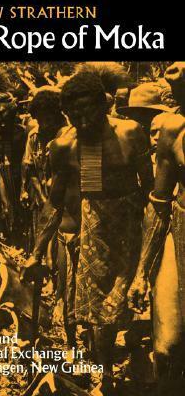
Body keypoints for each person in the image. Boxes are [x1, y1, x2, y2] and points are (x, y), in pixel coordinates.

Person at [22, 64, 154, 393]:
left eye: (88, 113)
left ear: (103, 104)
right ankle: (105, 373)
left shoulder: (130, 133)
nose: (82, 122)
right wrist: (36, 253)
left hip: (132, 224)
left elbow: (151, 191)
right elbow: (55, 202)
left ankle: (137, 360)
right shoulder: (66, 145)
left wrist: (151, 237)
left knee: (131, 304)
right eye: (74, 115)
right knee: (100, 315)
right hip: (93, 228)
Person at [127, 62, 185, 395]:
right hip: (179, 231)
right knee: (167, 346)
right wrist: (141, 274)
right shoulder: (173, 129)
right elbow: (159, 205)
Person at [20, 86, 67, 251]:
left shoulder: (69, 135)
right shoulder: (34, 135)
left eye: (48, 120)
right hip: (42, 195)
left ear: (57, 114)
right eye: (40, 120)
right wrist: (41, 197)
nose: (44, 125)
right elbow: (30, 167)